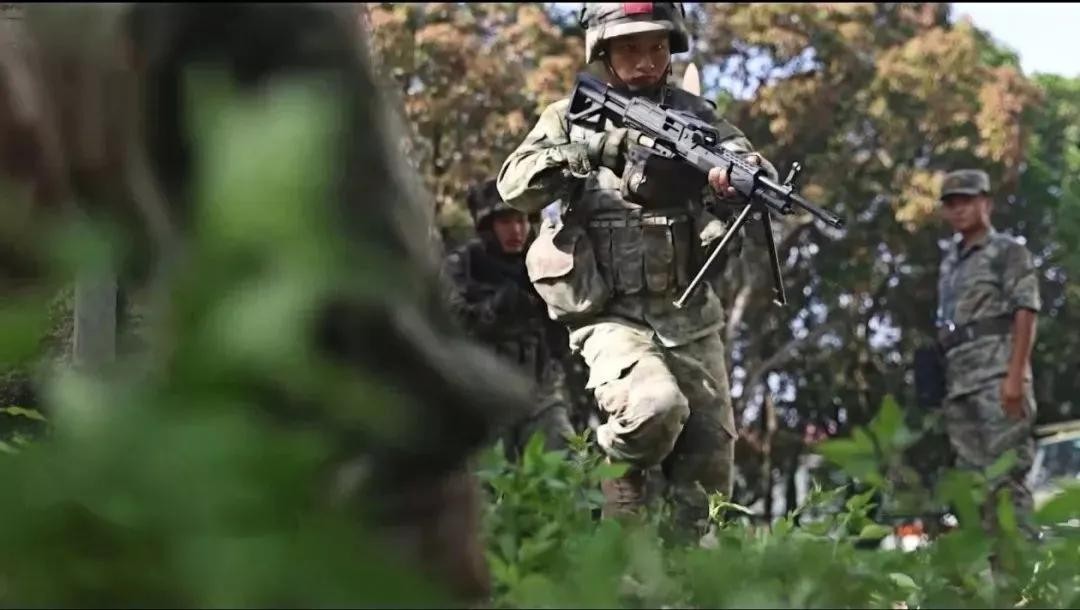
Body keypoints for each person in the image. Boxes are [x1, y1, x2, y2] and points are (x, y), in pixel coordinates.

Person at [496, 1, 778, 538]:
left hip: (689, 317)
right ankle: (614, 481)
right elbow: (514, 186)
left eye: (657, 47)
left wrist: (742, 178)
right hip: (610, 315)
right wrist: (592, 150)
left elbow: (745, 159)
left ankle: (682, 573)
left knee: (709, 468)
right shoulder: (569, 116)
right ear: (603, 51)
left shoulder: (700, 117)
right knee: (654, 407)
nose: (646, 60)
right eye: (629, 48)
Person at [935, 168, 1041, 537]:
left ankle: (1026, 569)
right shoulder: (949, 262)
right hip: (959, 383)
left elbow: (1026, 310)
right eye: (951, 203)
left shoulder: (1007, 251)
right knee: (974, 488)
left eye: (966, 200)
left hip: (997, 377)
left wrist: (1016, 374)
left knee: (1007, 480)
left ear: (986, 204)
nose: (958, 209)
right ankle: (994, 571)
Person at [442, 179, 576, 458]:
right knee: (491, 476)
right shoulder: (463, 266)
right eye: (505, 222)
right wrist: (499, 306)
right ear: (487, 226)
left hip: (540, 393)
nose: (516, 230)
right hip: (484, 397)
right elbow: (452, 327)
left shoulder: (541, 264)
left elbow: (569, 325)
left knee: (565, 464)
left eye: (521, 220)